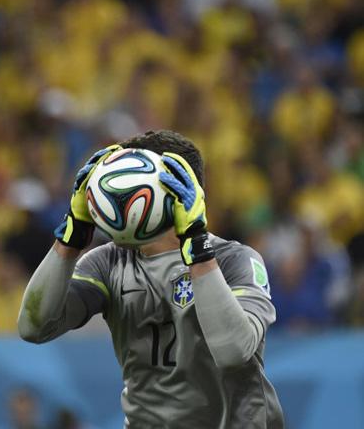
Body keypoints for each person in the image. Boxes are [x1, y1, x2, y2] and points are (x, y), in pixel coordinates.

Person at [18, 130, 284, 428]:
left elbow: (233, 352)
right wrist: (70, 239)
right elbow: (33, 327)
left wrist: (195, 245)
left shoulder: (234, 260)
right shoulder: (108, 262)